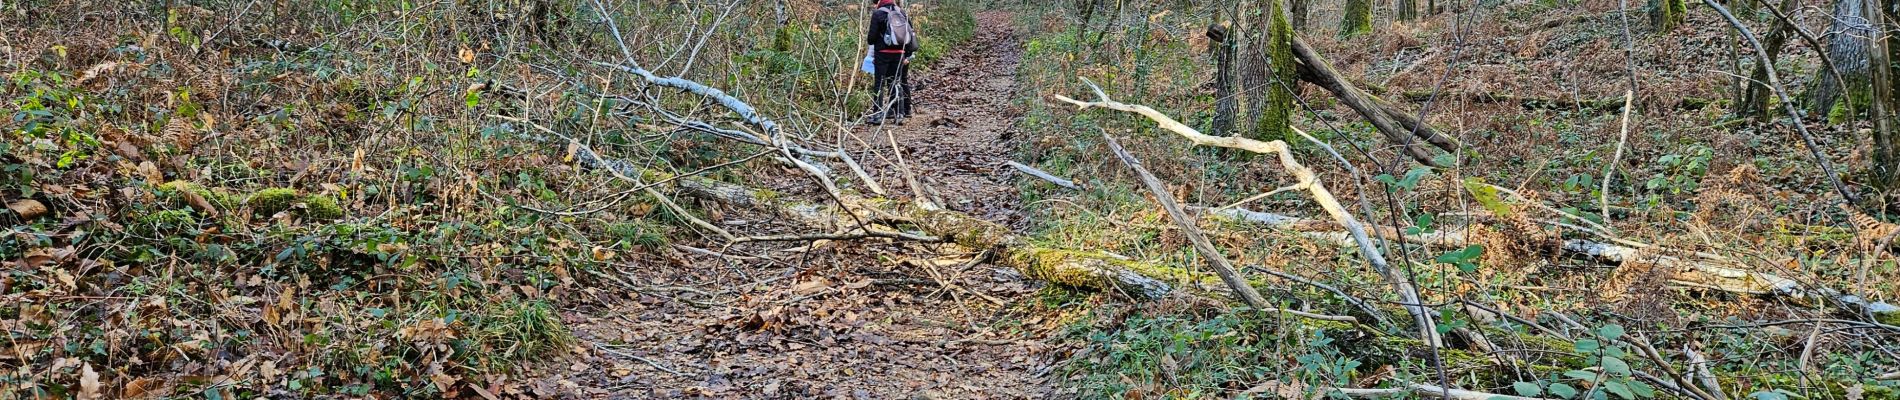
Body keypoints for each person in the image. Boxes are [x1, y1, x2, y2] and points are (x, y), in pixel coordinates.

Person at [865, 0, 918, 125]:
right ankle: (898, 114)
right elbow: (910, 35)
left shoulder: (878, 13)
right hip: (899, 54)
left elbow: (871, 39)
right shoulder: (902, 12)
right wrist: (907, 54)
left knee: (879, 83)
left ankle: (877, 114)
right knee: (896, 82)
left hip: (882, 54)